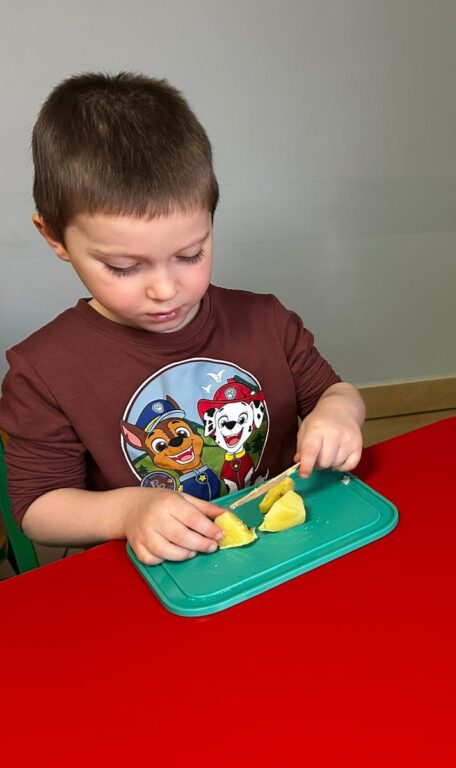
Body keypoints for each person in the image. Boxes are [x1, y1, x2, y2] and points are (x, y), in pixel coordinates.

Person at [0, 72, 365, 564]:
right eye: (124, 267)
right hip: (159, 575)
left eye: (190, 254)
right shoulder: (43, 371)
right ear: (55, 238)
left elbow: (334, 393)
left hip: (282, 551)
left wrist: (338, 413)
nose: (165, 290)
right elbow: (37, 508)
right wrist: (128, 510)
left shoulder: (267, 321)